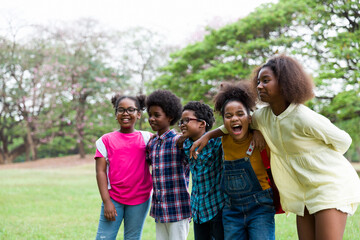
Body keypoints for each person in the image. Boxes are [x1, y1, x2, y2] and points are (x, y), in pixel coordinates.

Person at [192, 54, 360, 240]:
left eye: (266, 81)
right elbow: (238, 123)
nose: (259, 86)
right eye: (258, 82)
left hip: (329, 187)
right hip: (302, 193)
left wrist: (317, 155)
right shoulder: (264, 116)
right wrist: (208, 135)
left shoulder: (302, 116)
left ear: (284, 83)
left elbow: (344, 141)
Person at [94, 94, 152, 240]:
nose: (125, 114)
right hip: (114, 198)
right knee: (104, 237)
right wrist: (107, 201)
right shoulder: (105, 140)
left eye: (130, 110)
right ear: (116, 114)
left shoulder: (148, 138)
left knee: (133, 237)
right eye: (121, 110)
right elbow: (100, 172)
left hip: (140, 199)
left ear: (138, 114)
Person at [146, 90, 191, 240]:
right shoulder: (151, 143)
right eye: (150, 115)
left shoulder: (179, 141)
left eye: (156, 115)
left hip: (178, 208)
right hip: (160, 209)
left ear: (170, 117)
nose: (151, 119)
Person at [180, 101, 225, 240]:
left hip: (217, 207)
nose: (182, 124)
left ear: (202, 123)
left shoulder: (217, 142)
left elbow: (229, 127)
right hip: (198, 209)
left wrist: (209, 135)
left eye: (187, 120)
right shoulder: (185, 144)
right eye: (181, 121)